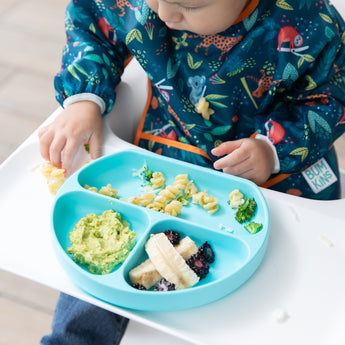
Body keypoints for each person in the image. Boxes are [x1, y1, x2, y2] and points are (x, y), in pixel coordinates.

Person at [39, 0, 345, 343]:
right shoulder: (143, 5)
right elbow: (91, 22)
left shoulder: (311, 22)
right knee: (95, 278)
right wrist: (84, 99)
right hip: (169, 151)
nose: (164, 14)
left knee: (292, 288)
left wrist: (273, 149)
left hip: (276, 172)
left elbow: (331, 97)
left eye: (190, 6)